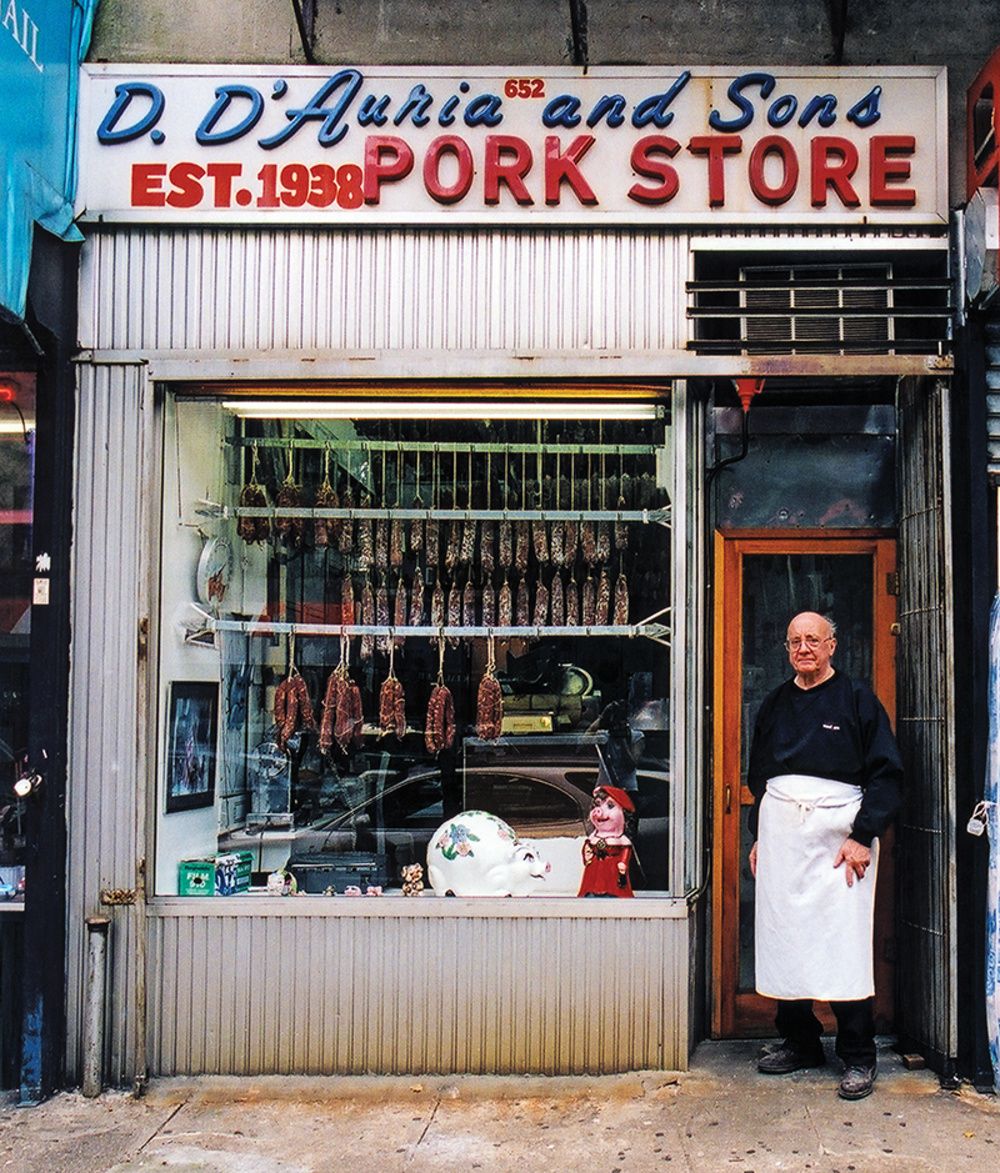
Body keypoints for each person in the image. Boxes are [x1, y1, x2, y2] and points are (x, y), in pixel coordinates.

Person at [747, 611, 903, 1101]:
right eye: (794, 641)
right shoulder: (774, 703)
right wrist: (759, 837)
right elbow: (760, 778)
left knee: (842, 945)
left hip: (842, 843)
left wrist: (863, 834)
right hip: (784, 842)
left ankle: (858, 1056)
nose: (803, 648)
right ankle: (800, 1042)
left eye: (813, 639)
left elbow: (886, 774)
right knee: (785, 940)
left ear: (832, 645)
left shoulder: (857, 700)